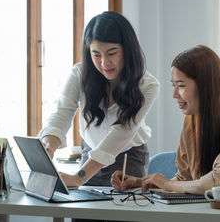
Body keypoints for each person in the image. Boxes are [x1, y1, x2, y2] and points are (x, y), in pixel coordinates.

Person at [111, 45, 220, 194]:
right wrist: (138, 182)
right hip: (207, 212)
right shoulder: (192, 122)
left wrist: (167, 184)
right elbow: (184, 180)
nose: (175, 95)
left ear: (205, 86)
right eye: (174, 86)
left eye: (181, 86)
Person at [38, 11, 160, 187]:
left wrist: (80, 177)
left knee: (122, 212)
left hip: (128, 158)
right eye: (96, 54)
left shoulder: (147, 85)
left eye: (111, 53)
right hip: (90, 154)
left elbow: (121, 133)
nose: (104, 63)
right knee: (84, 210)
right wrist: (48, 146)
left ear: (127, 50)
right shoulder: (80, 74)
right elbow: (61, 114)